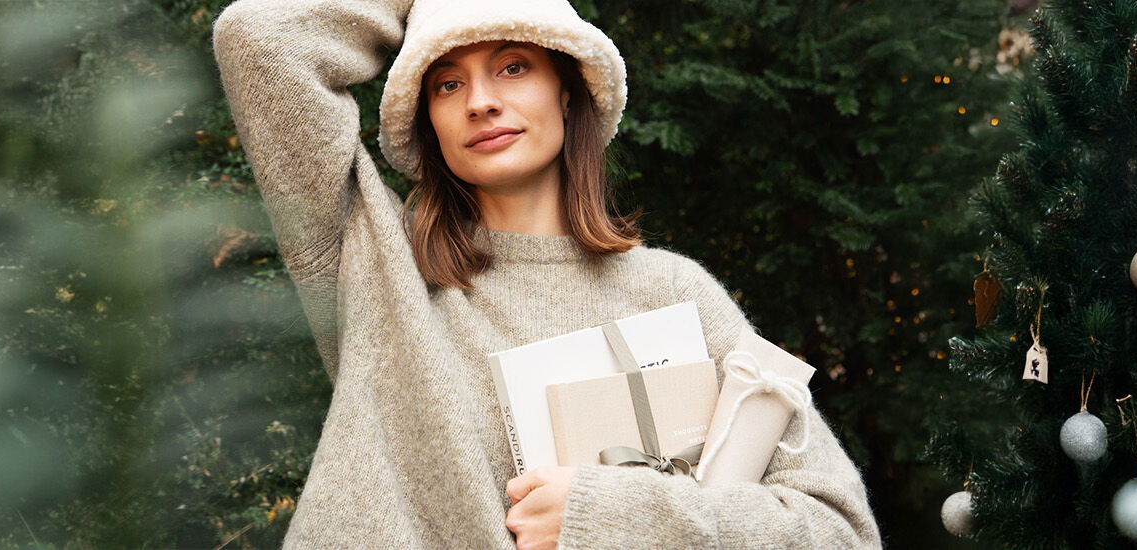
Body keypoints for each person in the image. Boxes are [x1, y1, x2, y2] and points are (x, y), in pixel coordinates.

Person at [212, 0, 882, 547]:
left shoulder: (673, 292)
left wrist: (616, 516)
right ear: (430, 123)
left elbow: (841, 531)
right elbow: (259, 39)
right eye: (447, 81)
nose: (479, 101)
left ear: (568, 91)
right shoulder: (380, 272)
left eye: (512, 65)